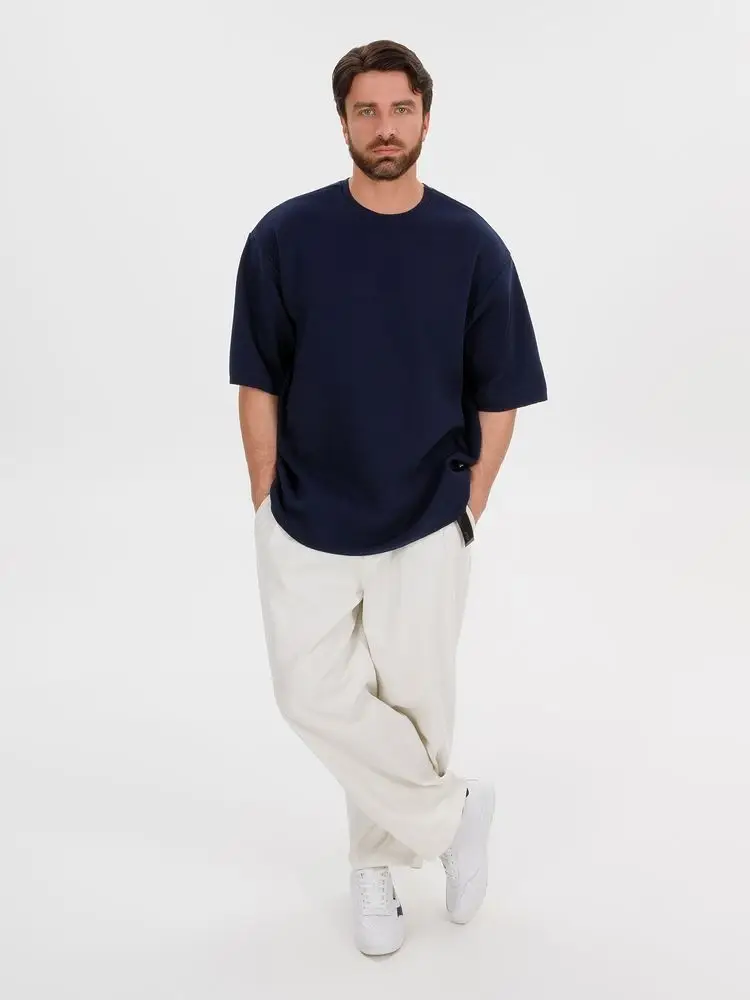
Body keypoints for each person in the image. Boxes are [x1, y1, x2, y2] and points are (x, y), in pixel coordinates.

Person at [229, 39, 548, 956]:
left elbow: (500, 394)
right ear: (342, 122)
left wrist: (468, 506)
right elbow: (258, 376)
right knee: (308, 691)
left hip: (425, 514)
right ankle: (454, 816)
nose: (384, 127)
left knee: (413, 700)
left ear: (425, 119)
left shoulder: (470, 244)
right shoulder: (285, 237)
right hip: (306, 512)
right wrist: (264, 495)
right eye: (366, 111)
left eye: (400, 109)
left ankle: (374, 866)